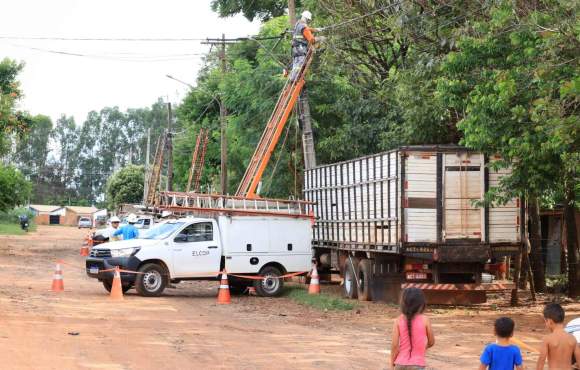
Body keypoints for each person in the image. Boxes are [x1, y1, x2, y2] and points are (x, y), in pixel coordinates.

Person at [390, 287, 435, 370]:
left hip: (400, 364)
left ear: (403, 303)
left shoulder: (398, 320)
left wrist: (392, 363)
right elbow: (431, 342)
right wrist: (422, 348)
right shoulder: (425, 319)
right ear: (422, 303)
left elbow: (394, 346)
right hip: (417, 365)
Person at [536, 303, 580, 370]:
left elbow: (540, 364)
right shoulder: (572, 338)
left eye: (545, 321)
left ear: (549, 321)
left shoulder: (547, 339)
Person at [290, 10, 322, 81]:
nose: (308, 21)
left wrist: (316, 30)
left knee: (296, 63)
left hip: (295, 48)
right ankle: (295, 78)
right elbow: (311, 40)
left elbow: (307, 30)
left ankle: (292, 78)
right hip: (301, 48)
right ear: (306, 18)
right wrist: (320, 38)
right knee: (300, 62)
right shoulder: (304, 27)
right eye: (308, 20)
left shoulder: (298, 24)